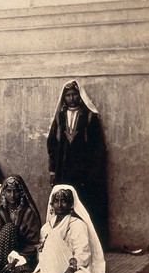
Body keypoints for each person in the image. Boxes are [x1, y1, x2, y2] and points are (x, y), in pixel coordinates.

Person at [47, 80, 109, 248]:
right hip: (64, 169)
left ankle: (89, 243)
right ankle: (65, 240)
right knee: (65, 202)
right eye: (68, 95)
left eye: (74, 94)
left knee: (86, 203)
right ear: (64, 98)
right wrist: (53, 169)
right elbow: (52, 143)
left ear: (80, 96)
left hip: (85, 172)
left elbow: (98, 147)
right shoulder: (59, 118)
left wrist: (94, 171)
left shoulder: (89, 116)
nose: (71, 98)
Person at [28, 185, 107, 273]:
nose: (60, 205)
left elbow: (82, 252)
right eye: (56, 201)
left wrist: (71, 268)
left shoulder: (77, 224)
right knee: (52, 235)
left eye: (64, 201)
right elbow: (42, 254)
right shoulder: (46, 228)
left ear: (70, 205)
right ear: (52, 204)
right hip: (52, 267)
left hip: (69, 266)